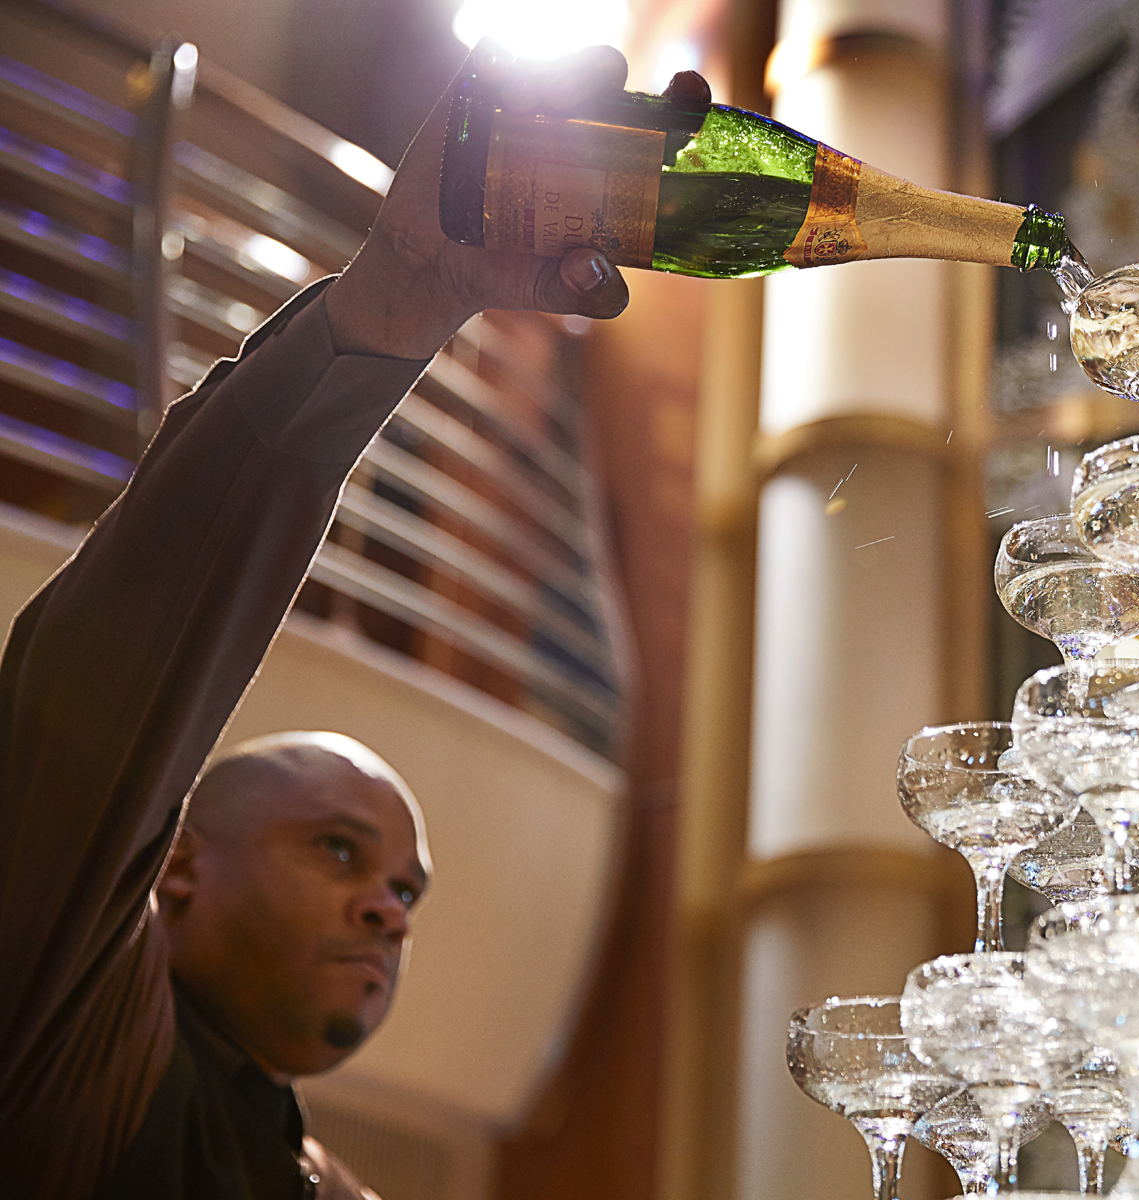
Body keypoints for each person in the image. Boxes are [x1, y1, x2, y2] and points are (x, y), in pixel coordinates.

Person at [0, 42, 709, 1199]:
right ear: (174, 866)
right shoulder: (65, 1035)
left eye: (404, 890)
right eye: (338, 850)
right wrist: (402, 295)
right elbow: (117, 662)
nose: (389, 910)